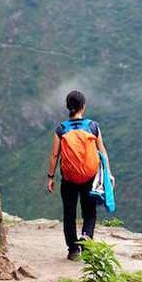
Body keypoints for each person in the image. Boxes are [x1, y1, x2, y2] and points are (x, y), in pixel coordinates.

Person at [46, 90, 110, 260]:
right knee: (89, 211)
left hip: (68, 179)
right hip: (90, 177)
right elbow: (102, 151)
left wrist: (50, 177)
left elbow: (54, 155)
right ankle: (86, 240)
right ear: (83, 106)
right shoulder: (93, 127)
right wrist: (108, 175)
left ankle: (73, 250)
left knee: (69, 213)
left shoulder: (61, 129)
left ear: (68, 107)